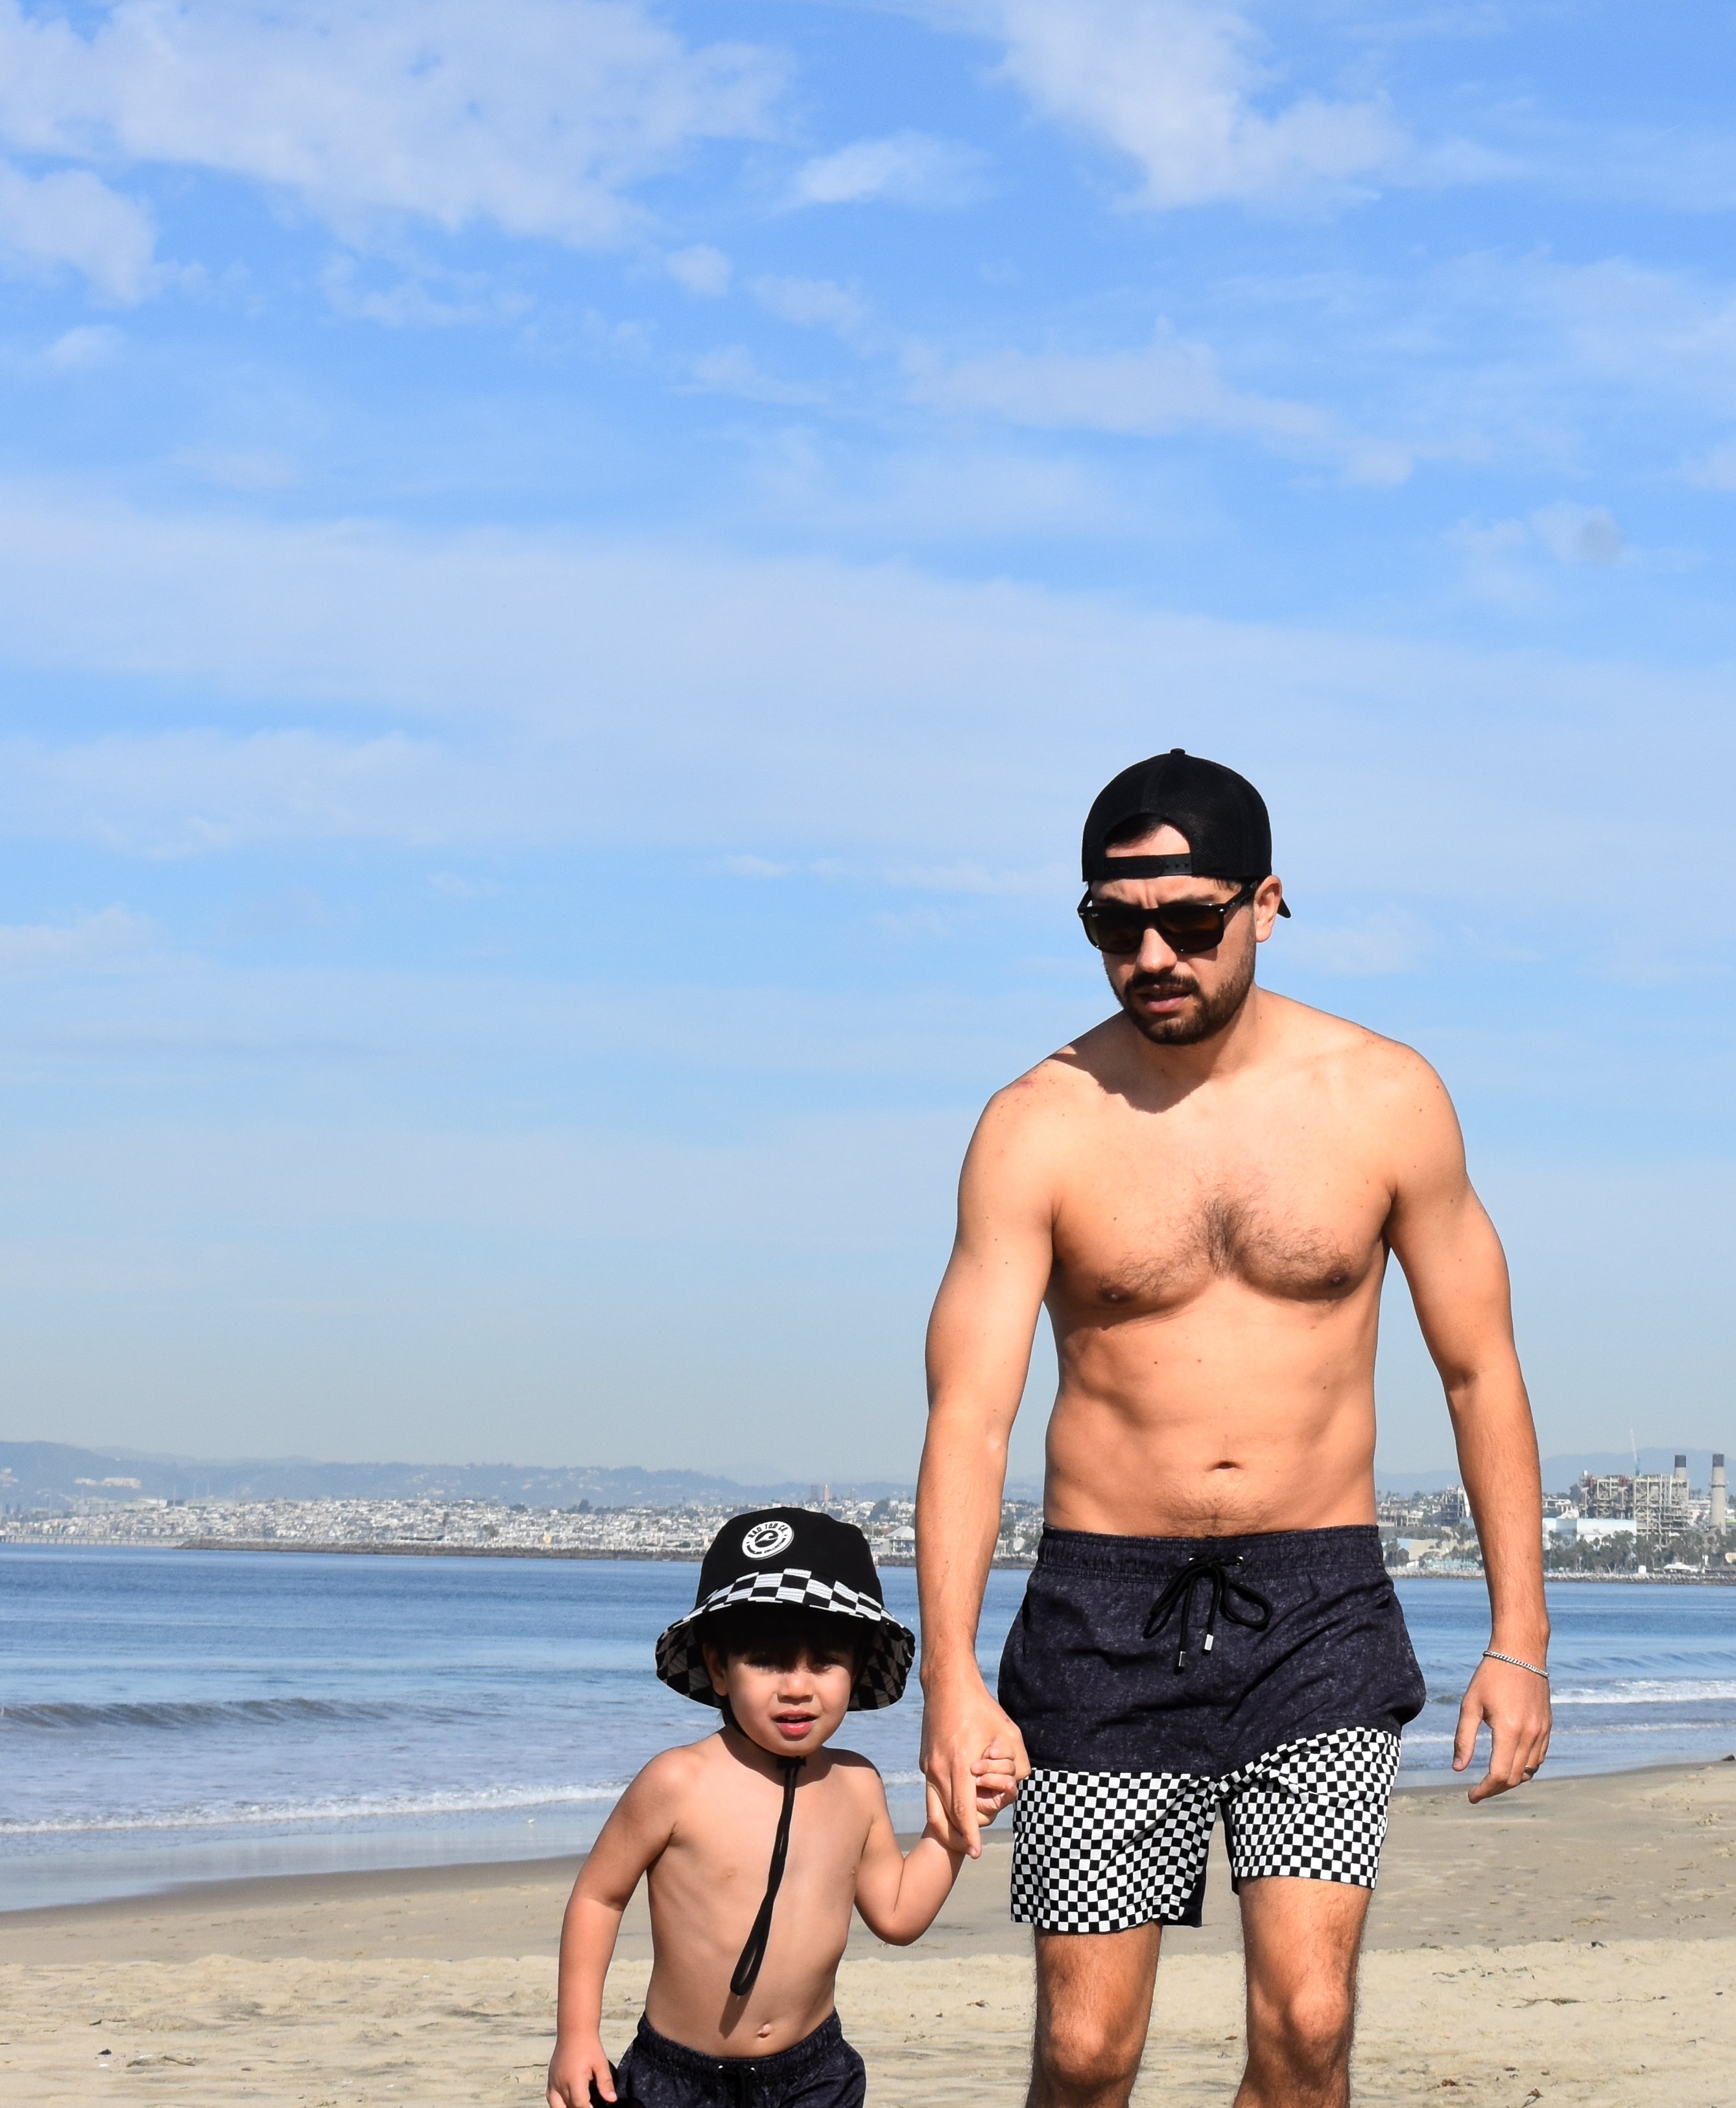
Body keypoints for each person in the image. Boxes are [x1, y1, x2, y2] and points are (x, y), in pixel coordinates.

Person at [916, 750, 1554, 2108]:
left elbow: (1477, 1371)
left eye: (1186, 920)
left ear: (1263, 903)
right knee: (1086, 2054)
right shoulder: (1034, 1124)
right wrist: (953, 1676)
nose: (1149, 954)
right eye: (1111, 924)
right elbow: (969, 1421)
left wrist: (1517, 1639)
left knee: (1309, 2022)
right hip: (1100, 1612)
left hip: (1314, 1602)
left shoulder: (1383, 1097)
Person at [547, 1506, 1012, 2108]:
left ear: (856, 1667)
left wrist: (950, 1828)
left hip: (813, 2074)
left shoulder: (856, 1784)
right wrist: (576, 2034)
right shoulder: (677, 1780)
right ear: (718, 1667)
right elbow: (597, 1897)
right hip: (679, 2080)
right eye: (766, 1661)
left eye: (824, 1661)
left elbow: (897, 1916)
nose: (797, 1685)